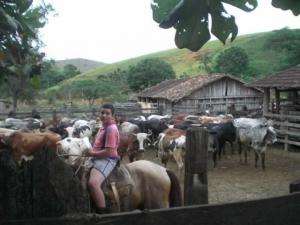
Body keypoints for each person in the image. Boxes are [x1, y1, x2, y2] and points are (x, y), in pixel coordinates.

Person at [86, 103, 120, 213]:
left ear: (113, 115)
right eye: (102, 113)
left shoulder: (111, 129)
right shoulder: (103, 127)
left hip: (107, 159)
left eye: (107, 113)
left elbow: (109, 151)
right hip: (98, 156)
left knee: (93, 183)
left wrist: (92, 153)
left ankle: (102, 211)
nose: (104, 115)